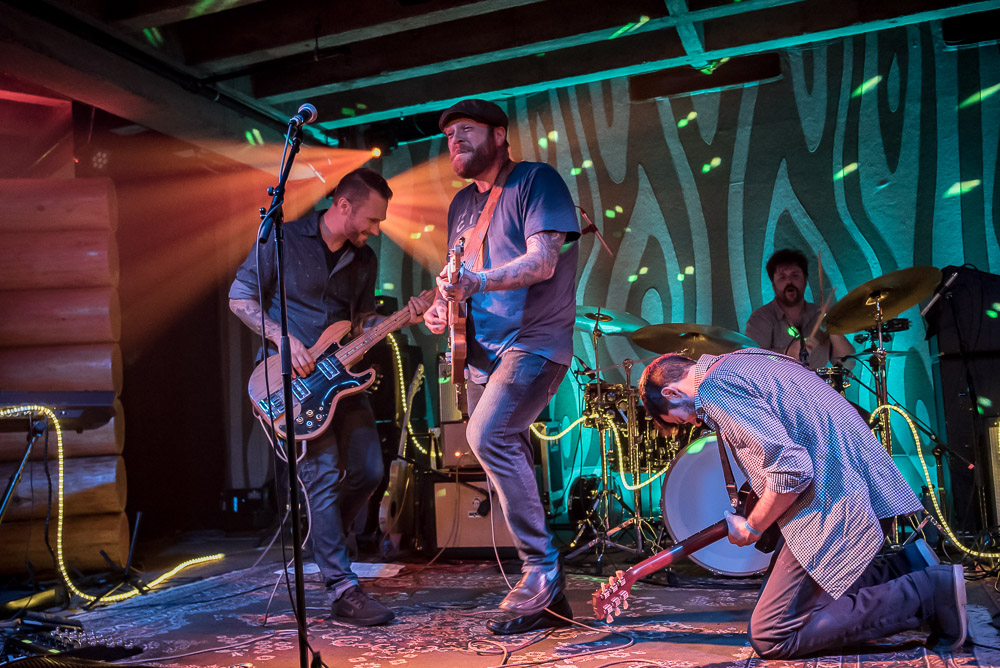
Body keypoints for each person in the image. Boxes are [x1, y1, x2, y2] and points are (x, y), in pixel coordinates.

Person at [636, 349, 967, 659]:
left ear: (671, 393)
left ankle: (930, 592)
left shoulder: (714, 389)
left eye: (681, 419)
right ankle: (907, 566)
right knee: (793, 595)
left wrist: (753, 527)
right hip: (867, 488)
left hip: (834, 503)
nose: (696, 423)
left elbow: (791, 470)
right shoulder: (746, 358)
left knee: (772, 633)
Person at [229, 167, 431, 626]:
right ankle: (342, 588)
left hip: (342, 378)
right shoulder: (282, 238)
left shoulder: (365, 259)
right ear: (343, 205)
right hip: (291, 384)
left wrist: (404, 318)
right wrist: (284, 338)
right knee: (320, 476)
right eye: (374, 220)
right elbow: (240, 297)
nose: (377, 230)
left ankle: (329, 541)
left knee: (369, 470)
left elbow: (358, 327)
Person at [422, 99, 580, 635]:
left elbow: (542, 262)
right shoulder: (460, 206)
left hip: (535, 342)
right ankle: (552, 598)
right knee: (497, 441)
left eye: (465, 131)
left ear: (499, 134)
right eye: (448, 137)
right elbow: (458, 273)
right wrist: (445, 305)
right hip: (482, 351)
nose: (455, 142)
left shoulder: (538, 181)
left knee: (487, 434)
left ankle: (541, 569)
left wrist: (478, 283)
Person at [745, 249, 854, 369]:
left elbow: (848, 365)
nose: (789, 281)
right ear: (773, 285)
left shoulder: (819, 315)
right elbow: (751, 361)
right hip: (777, 386)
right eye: (782, 277)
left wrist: (832, 328)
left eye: (795, 275)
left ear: (805, 280)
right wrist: (786, 353)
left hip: (816, 386)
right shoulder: (761, 318)